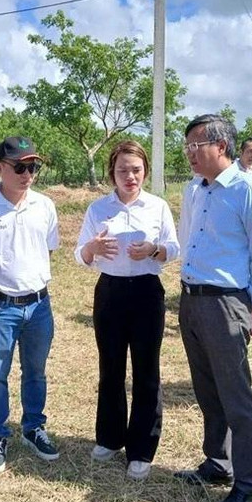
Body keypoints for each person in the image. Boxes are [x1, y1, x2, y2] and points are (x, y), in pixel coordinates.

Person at [174, 115, 252, 502]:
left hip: (226, 303)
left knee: (237, 398)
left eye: (195, 145)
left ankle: (248, 486)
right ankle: (217, 461)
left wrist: (250, 303)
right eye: (187, 146)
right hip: (192, 299)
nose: (189, 154)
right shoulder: (196, 189)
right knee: (207, 390)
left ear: (221, 146)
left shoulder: (249, 190)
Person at [74, 140, 180, 481]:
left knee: (147, 372)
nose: (130, 176)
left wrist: (154, 249)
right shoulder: (98, 209)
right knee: (111, 367)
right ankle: (109, 437)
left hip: (147, 292)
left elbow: (174, 248)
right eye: (123, 170)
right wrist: (92, 247)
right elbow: (79, 254)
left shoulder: (158, 207)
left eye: (136, 170)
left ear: (145, 171)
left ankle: (142, 449)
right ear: (112, 173)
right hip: (111, 292)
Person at [0, 136, 60, 474]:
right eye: (19, 166)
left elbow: (47, 250)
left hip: (39, 306)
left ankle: (33, 427)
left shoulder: (45, 206)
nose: (27, 173)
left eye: (33, 166)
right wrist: (4, 282)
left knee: (36, 372)